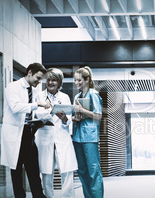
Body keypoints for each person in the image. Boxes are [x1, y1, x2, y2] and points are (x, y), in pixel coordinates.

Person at [0, 63, 50, 198]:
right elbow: (16, 107)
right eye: (38, 78)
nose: (39, 82)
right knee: (16, 172)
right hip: (15, 135)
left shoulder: (32, 90)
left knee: (33, 168)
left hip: (28, 133)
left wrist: (48, 115)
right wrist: (37, 104)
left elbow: (31, 112)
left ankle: (39, 196)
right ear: (29, 73)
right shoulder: (12, 87)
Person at [34, 68, 78, 198]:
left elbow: (69, 118)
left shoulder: (64, 97)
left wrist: (64, 118)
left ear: (59, 82)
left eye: (53, 80)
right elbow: (37, 113)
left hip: (62, 137)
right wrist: (51, 111)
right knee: (46, 173)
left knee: (67, 171)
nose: (50, 82)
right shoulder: (39, 96)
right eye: (48, 79)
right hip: (45, 137)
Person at [72, 66, 104, 198]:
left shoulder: (93, 94)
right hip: (78, 137)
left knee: (93, 170)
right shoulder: (78, 96)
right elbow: (77, 116)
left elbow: (98, 115)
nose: (77, 83)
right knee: (82, 171)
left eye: (79, 80)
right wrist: (75, 117)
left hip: (90, 137)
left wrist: (82, 111)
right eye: (75, 80)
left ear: (87, 79)